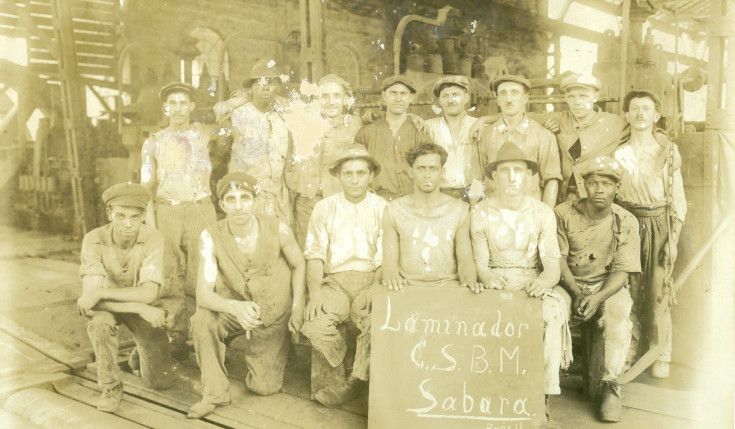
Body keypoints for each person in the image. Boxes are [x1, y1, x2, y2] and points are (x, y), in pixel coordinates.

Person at [187, 172, 305, 419]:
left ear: (255, 200)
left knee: (263, 387)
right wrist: (234, 307)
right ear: (222, 205)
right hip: (233, 310)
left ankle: (270, 349)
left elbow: (299, 265)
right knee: (202, 320)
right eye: (231, 199)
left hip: (272, 312)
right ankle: (214, 393)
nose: (239, 206)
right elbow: (203, 294)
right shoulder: (210, 236)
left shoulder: (278, 228)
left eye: (245, 197)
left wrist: (297, 307)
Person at [469, 142, 571, 415]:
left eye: (519, 170)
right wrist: (488, 276)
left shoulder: (542, 212)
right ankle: (489, 392)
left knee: (550, 314)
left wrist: (543, 283)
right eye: (505, 170)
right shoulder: (480, 211)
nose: (512, 177)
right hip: (495, 279)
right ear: (493, 176)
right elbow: (480, 263)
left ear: (529, 176)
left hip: (530, 280)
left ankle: (542, 394)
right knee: (484, 314)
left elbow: (552, 267)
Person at [300, 145, 387, 407]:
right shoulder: (325, 207)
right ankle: (342, 367)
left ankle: (356, 381)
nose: (354, 179)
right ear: (338, 176)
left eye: (361, 173)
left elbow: (386, 257)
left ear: (371, 176)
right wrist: (315, 293)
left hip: (369, 280)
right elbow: (315, 255)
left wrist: (376, 288)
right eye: (348, 173)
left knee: (377, 322)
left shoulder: (382, 207)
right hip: (335, 282)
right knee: (314, 322)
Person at [77, 182, 175, 413]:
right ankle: (110, 387)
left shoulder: (154, 238)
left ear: (143, 215)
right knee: (100, 323)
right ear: (109, 213)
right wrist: (140, 307)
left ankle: (137, 355)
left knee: (161, 382)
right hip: (110, 309)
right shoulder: (94, 239)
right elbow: (91, 299)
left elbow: (149, 293)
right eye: (120, 216)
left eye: (135, 216)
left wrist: (101, 293)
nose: (128, 224)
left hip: (141, 305)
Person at [555, 156, 641, 422]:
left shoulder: (626, 220)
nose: (600, 189)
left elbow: (622, 270)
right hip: (568, 283)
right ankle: (543, 383)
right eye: (593, 183)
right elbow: (557, 259)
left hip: (607, 287)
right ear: (584, 186)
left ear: (616, 188)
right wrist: (579, 294)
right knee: (548, 307)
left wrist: (598, 297)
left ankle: (611, 386)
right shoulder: (563, 213)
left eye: (607, 184)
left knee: (618, 313)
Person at [140, 82, 221, 358]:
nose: (177, 108)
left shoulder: (203, 133)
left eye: (183, 103)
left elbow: (228, 115)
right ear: (165, 107)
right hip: (168, 210)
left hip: (200, 207)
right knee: (170, 270)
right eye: (172, 103)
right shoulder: (153, 142)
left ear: (192, 107)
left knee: (204, 267)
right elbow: (145, 187)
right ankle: (175, 332)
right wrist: (150, 223)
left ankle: (205, 330)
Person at [613, 90, 686, 379]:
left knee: (658, 291)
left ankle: (661, 352)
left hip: (658, 223)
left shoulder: (667, 152)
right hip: (628, 222)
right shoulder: (619, 153)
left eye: (647, 108)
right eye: (635, 109)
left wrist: (674, 240)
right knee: (627, 289)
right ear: (627, 115)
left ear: (656, 115)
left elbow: (677, 200)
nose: (640, 113)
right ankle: (628, 351)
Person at [471, 73, 626, 203]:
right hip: (563, 198)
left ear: (595, 96)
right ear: (565, 98)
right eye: (571, 97)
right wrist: (484, 120)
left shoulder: (615, 124)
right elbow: (518, 113)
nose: (577, 102)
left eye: (583, 96)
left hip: (597, 198)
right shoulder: (558, 119)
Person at [381, 143, 479, 291]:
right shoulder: (394, 210)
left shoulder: (459, 210)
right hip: (407, 288)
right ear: (411, 172)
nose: (427, 175)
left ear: (442, 172)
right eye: (421, 168)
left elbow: (465, 261)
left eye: (433, 169)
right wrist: (391, 277)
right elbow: (389, 263)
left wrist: (469, 281)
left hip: (448, 288)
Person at [286, 74, 363, 246]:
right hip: (307, 203)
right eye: (324, 96)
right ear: (315, 99)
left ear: (346, 99)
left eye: (336, 95)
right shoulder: (301, 124)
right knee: (310, 250)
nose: (331, 101)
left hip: (341, 200)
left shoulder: (355, 125)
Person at [477, 75, 561, 207]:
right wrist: (476, 213)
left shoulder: (543, 135)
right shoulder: (484, 135)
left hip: (529, 213)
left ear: (525, 98)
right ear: (498, 100)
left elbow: (552, 179)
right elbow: (476, 180)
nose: (509, 99)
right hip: (493, 214)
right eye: (503, 93)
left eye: (515, 93)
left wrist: (545, 216)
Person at [228, 59, 293, 222]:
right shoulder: (236, 116)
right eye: (259, 82)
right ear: (250, 88)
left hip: (279, 196)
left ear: (277, 87)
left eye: (270, 82)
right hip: (248, 195)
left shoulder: (286, 116)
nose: (265, 86)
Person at [355, 75, 433, 201]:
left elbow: (429, 169)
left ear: (411, 97)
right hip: (377, 200)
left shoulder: (420, 131)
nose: (398, 98)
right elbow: (356, 166)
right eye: (393, 93)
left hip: (412, 201)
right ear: (384, 96)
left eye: (403, 93)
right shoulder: (366, 132)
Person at [424, 75, 483, 202]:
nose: (450, 100)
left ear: (466, 97)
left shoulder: (478, 125)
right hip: (439, 195)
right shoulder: (429, 127)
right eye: (445, 96)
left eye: (455, 94)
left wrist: (475, 202)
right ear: (439, 100)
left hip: (472, 194)